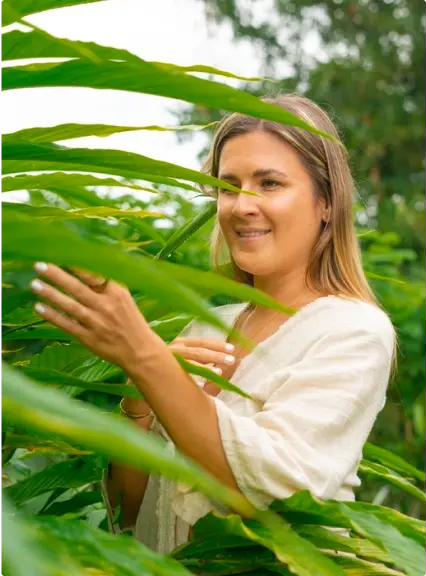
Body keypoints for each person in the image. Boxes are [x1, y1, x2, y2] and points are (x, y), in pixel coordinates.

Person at [30, 93, 396, 555]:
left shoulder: (352, 331)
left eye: (269, 183)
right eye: (228, 186)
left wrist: (143, 354)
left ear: (327, 202)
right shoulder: (205, 329)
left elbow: (272, 488)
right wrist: (140, 399)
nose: (242, 205)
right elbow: (129, 514)